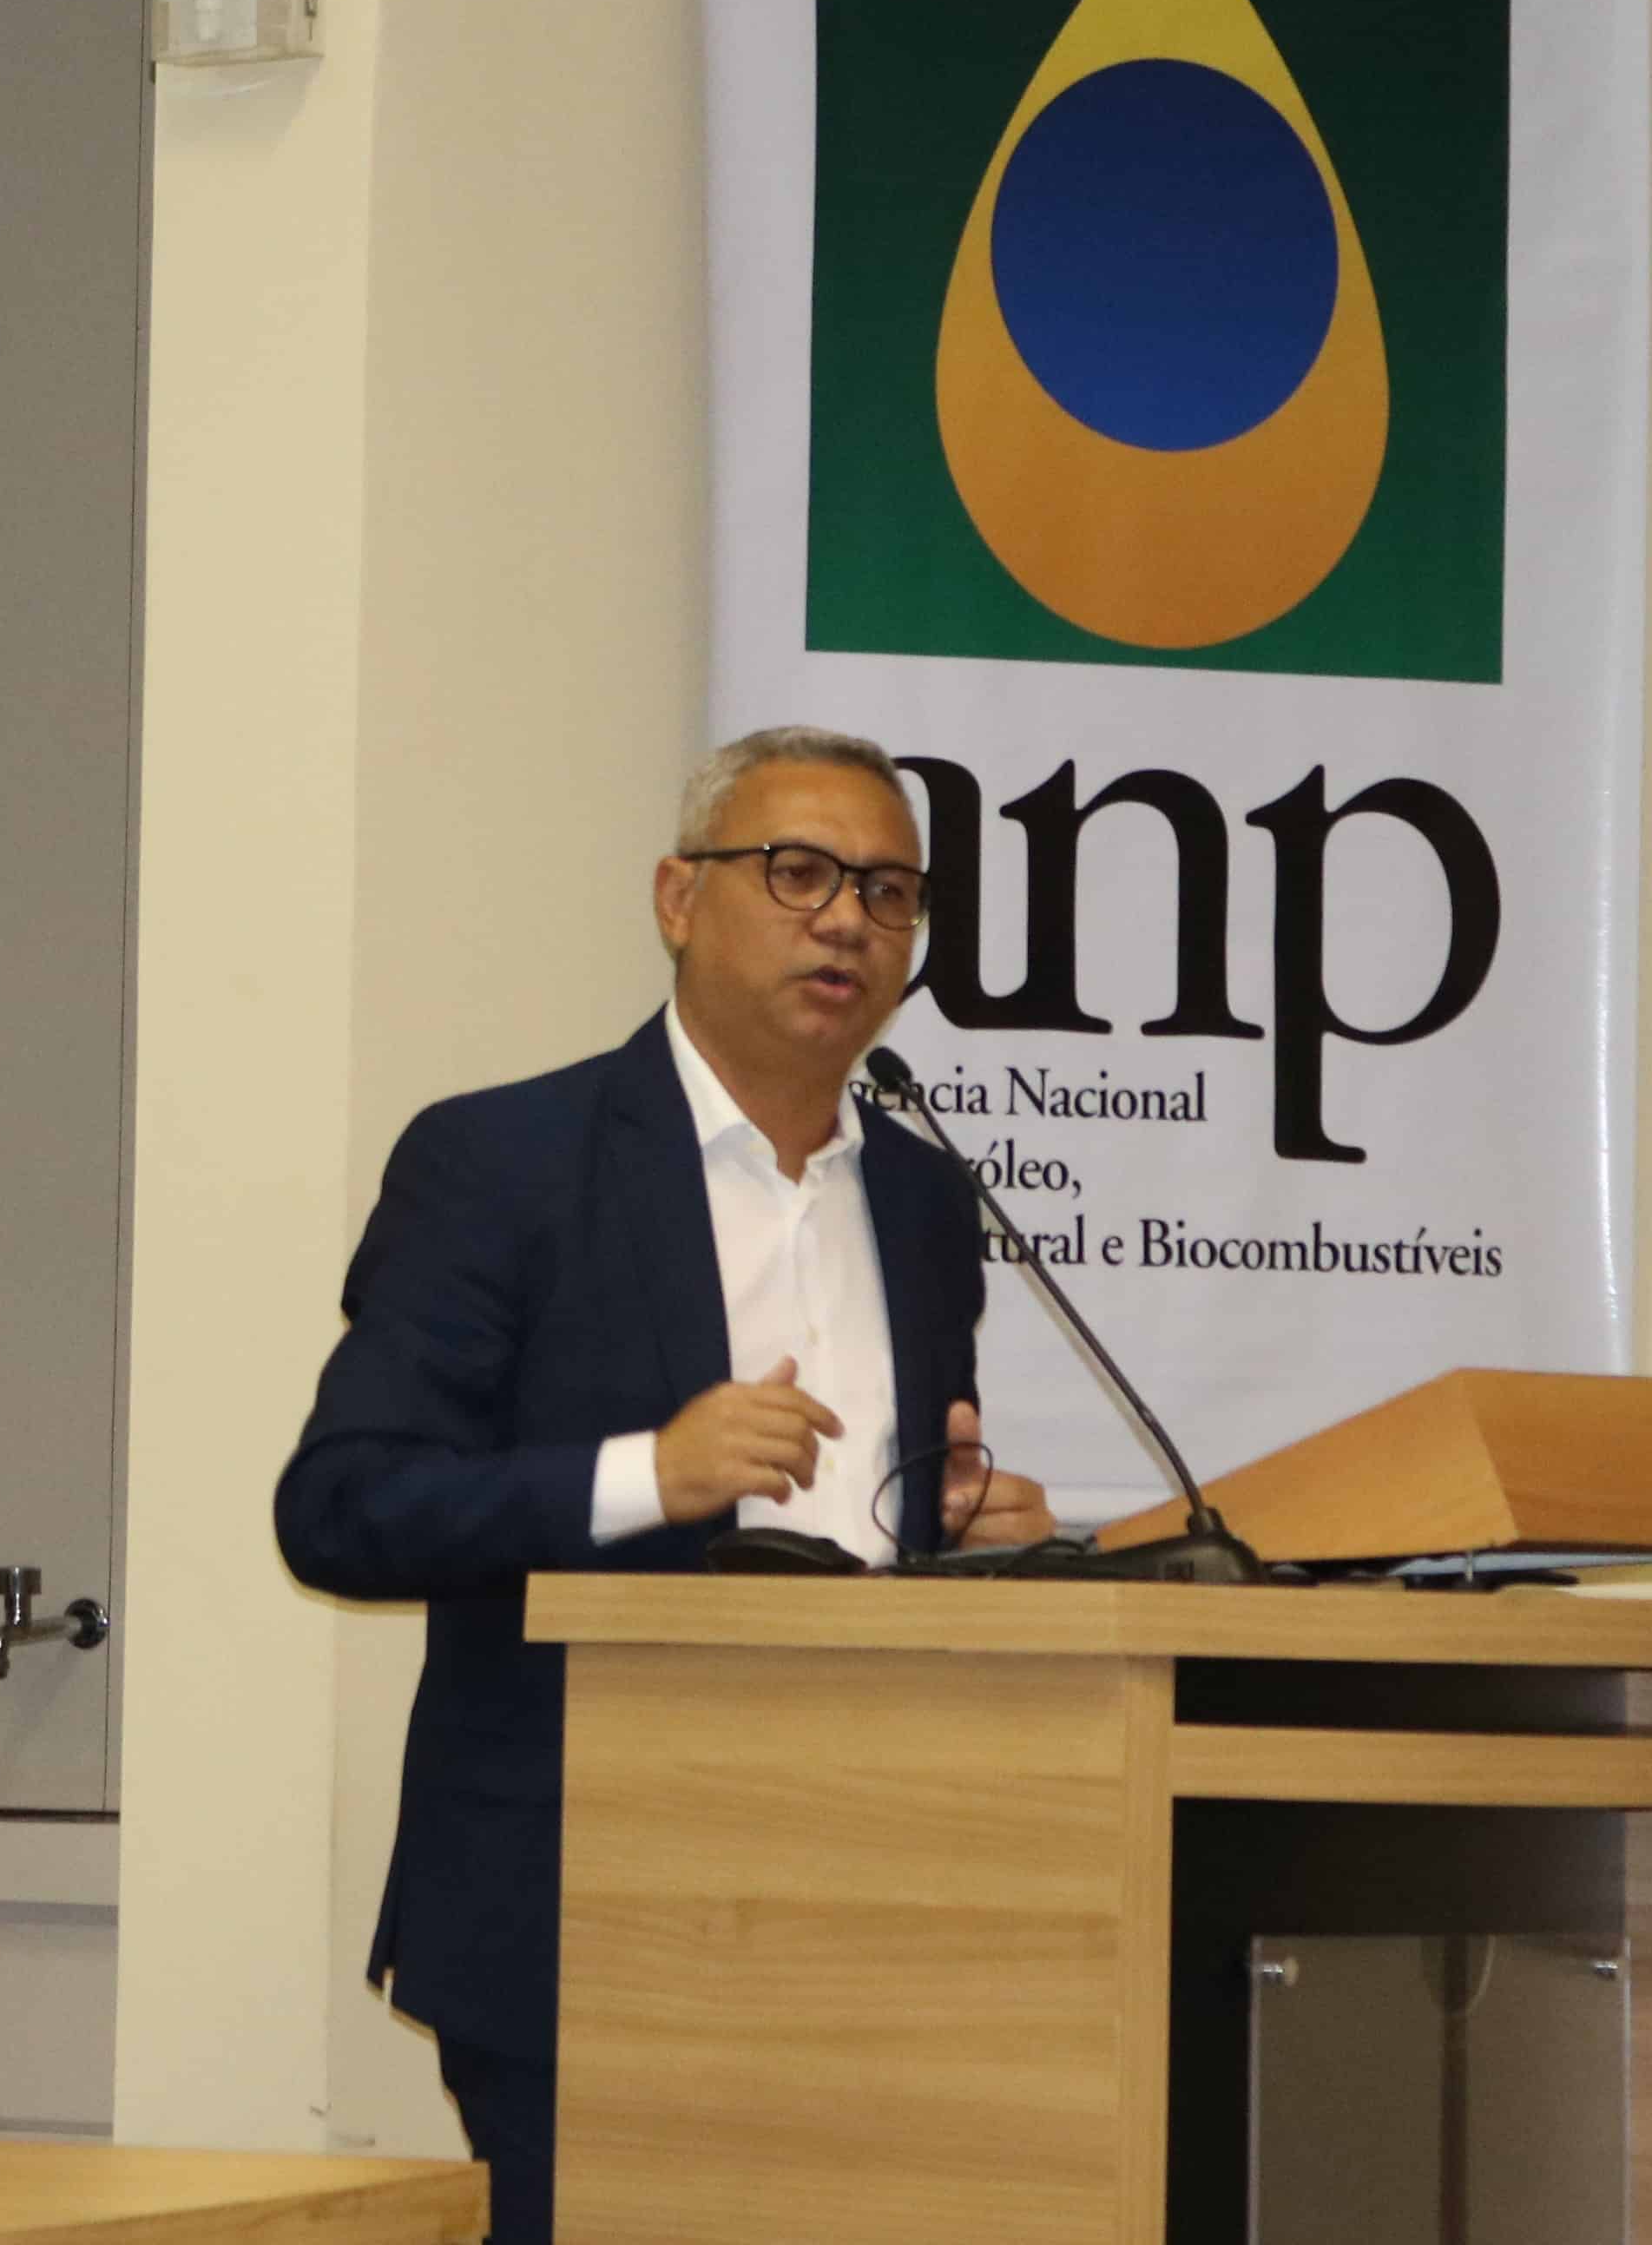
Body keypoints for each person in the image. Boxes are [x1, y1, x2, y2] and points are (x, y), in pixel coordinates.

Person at [273, 725, 1056, 2243]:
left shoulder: (920, 1196)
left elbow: (885, 1530)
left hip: (889, 1901)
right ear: (678, 899)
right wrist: (649, 1472)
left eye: (888, 892)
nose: (847, 921)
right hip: (584, 1900)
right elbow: (343, 1507)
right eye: (798, 872)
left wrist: (967, 1540)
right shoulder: (504, 1159)